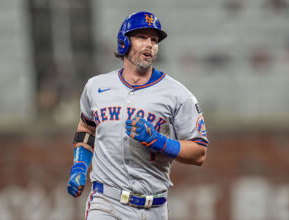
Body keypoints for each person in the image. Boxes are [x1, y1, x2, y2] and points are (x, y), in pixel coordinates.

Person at [67, 11, 209, 220]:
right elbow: (87, 129)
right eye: (142, 37)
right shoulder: (96, 87)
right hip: (106, 203)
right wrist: (79, 165)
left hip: (154, 207)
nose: (149, 44)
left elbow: (199, 152)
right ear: (124, 42)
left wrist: (158, 140)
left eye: (154, 39)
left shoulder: (177, 94)